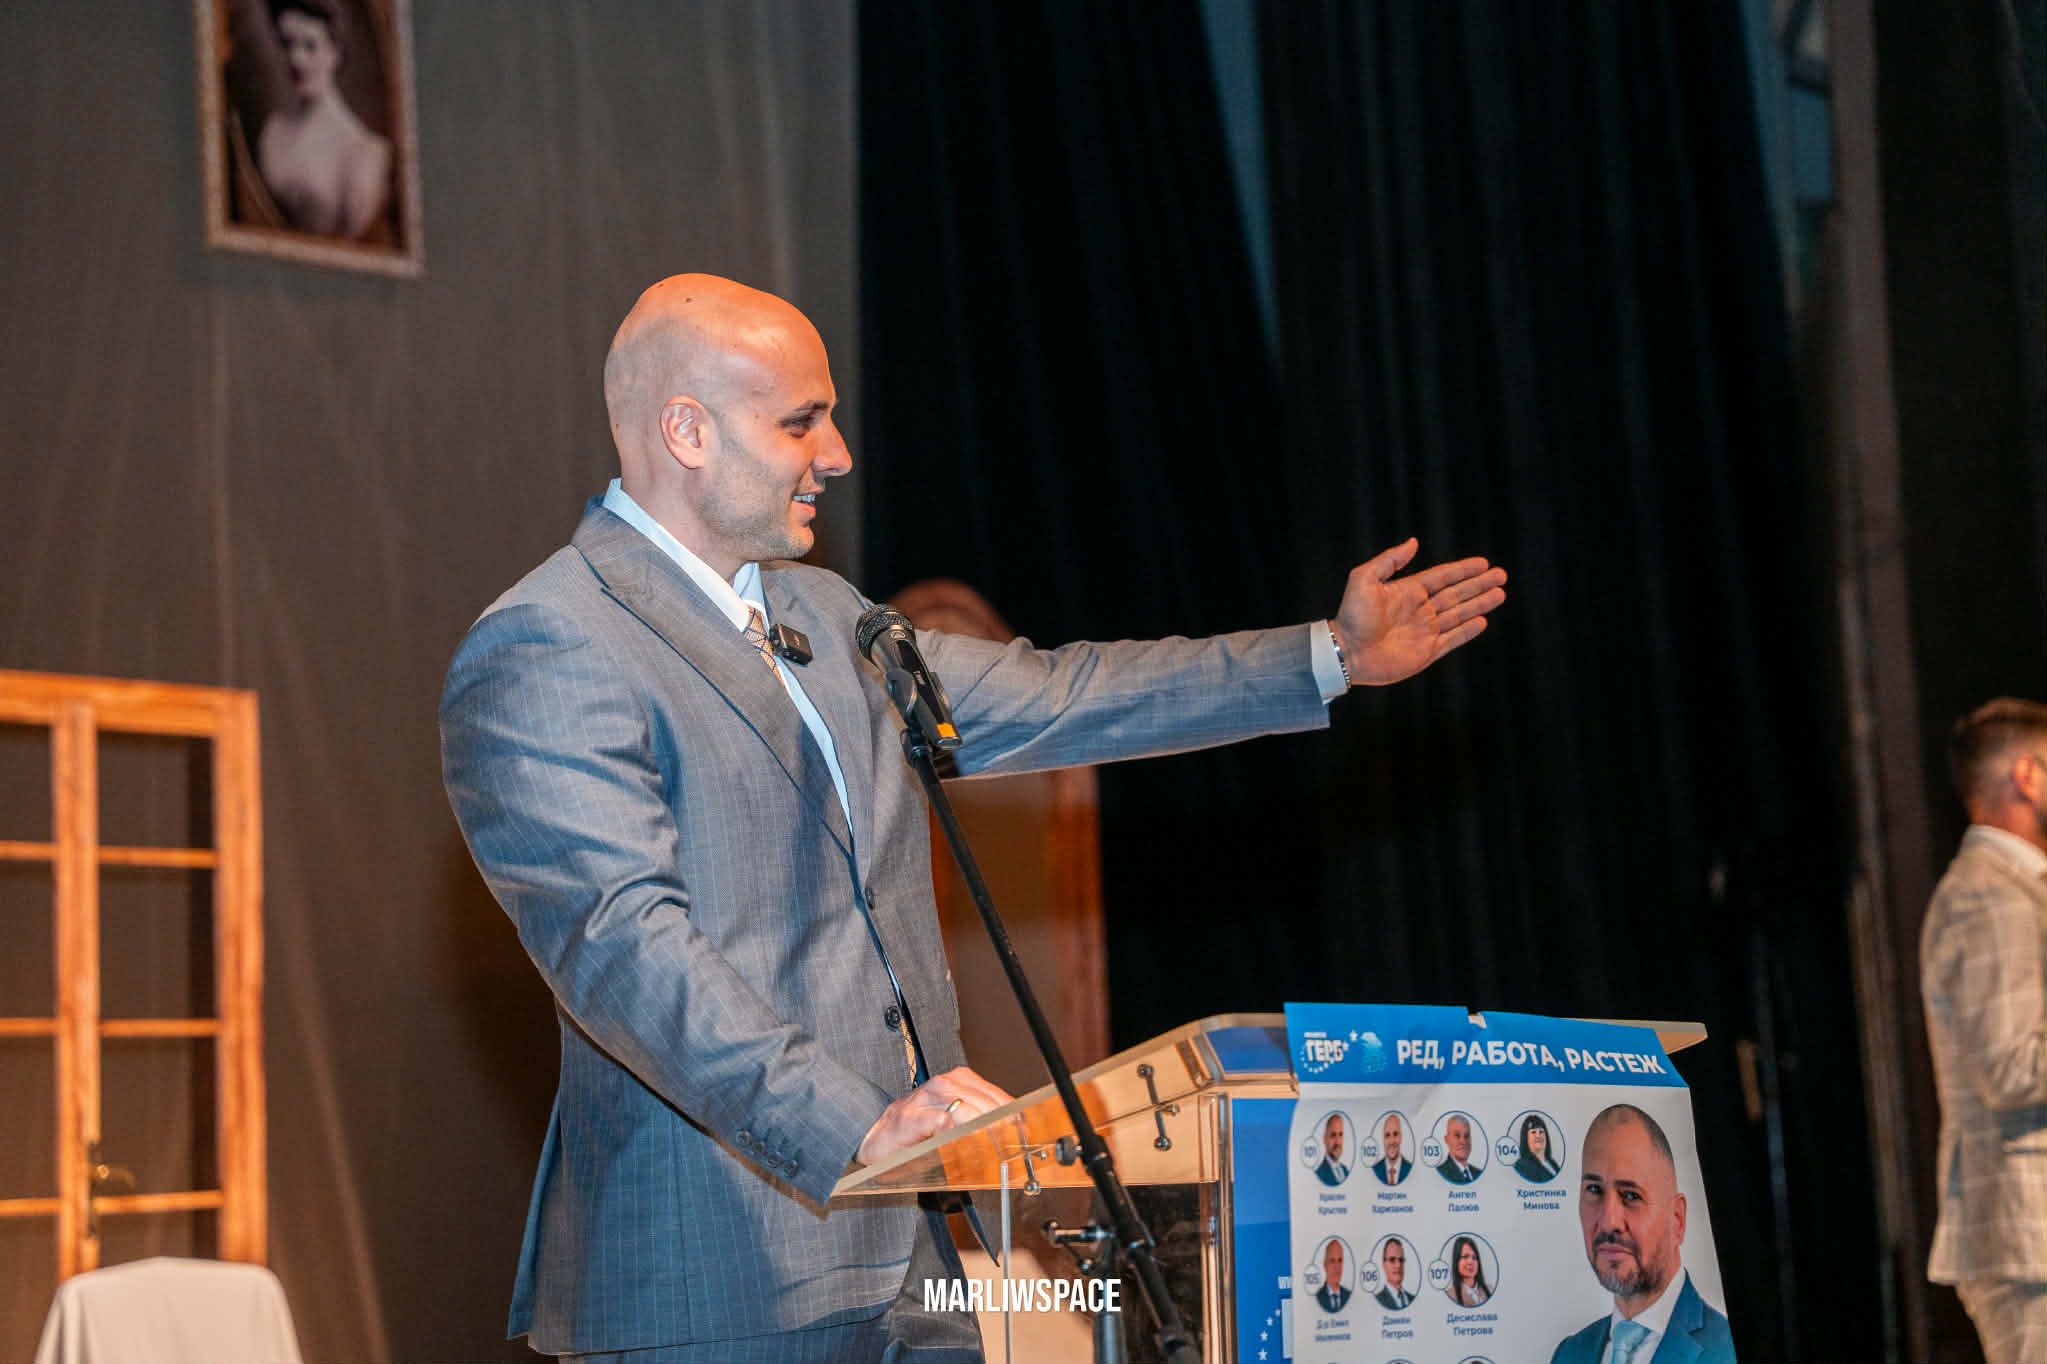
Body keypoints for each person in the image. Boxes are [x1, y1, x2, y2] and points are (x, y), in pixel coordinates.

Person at [439, 273, 1509, 1362]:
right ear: (687, 431)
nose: (837, 454)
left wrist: (1329, 655)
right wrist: (859, 1126)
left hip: (919, 1251)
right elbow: (622, 950)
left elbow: (1061, 695)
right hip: (718, 1281)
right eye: (802, 421)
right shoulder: (552, 641)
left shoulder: (826, 613)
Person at [1922, 698, 2047, 1364]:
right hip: (2029, 1239)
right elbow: (2009, 1068)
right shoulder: (1989, 893)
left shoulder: (2014, 888)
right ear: (2027, 775)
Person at [1551, 1104, 1734, 1364]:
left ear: (1677, 1219)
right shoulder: (1569, 1354)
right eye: (1594, 1190)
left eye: (1631, 1195)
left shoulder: (1728, 1350)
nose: (1609, 1222)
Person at [254, 0, 392, 238]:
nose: (296, 59)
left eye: (310, 46)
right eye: (287, 43)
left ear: (335, 52)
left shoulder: (364, 152)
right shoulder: (272, 132)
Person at [1514, 1112, 1563, 1184]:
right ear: (1526, 1138)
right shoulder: (1522, 1166)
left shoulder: (1553, 1163)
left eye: (1541, 1131)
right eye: (1533, 1132)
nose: (1538, 1135)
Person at [1446, 1235, 1491, 1307]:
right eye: (1465, 1256)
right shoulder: (1451, 1295)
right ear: (1457, 1261)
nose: (1470, 1262)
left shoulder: (1490, 1290)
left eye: (1474, 1257)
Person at [1438, 1113, 1483, 1183]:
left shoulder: (1479, 1173)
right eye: (1457, 1135)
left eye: (1466, 1136)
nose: (1463, 1141)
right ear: (1447, 1140)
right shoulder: (1440, 1174)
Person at [1373, 1237, 1415, 1310]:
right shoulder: (1378, 1301)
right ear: (1384, 1264)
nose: (1398, 1265)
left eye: (1401, 1260)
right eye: (1392, 1260)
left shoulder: (1413, 1299)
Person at [1372, 1113, 1413, 1186]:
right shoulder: (1375, 1170)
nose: (1391, 1141)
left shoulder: (1410, 1169)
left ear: (1400, 1137)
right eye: (1387, 1135)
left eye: (1395, 1134)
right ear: (1383, 1140)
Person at [1315, 1239, 1352, 1315]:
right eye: (1332, 1261)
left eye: (1340, 1260)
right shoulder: (1318, 1297)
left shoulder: (1349, 1296)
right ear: (1325, 1265)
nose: (1337, 1267)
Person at [1315, 1113, 1351, 1186]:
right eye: (1333, 1135)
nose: (1337, 1142)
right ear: (1325, 1138)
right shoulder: (1320, 1174)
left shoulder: (1345, 1171)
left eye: (1340, 1135)